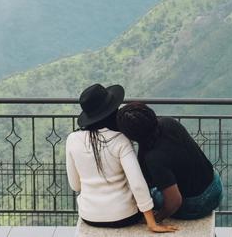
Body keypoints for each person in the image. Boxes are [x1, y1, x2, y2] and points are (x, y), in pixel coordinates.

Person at [65, 84, 177, 233]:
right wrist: (152, 222)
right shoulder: (120, 140)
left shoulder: (72, 139)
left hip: (89, 215)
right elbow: (137, 184)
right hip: (124, 216)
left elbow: (75, 186)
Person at [116, 102, 222, 221]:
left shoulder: (154, 158)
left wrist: (155, 219)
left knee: (147, 195)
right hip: (215, 185)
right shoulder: (168, 122)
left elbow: (175, 201)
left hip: (198, 204)